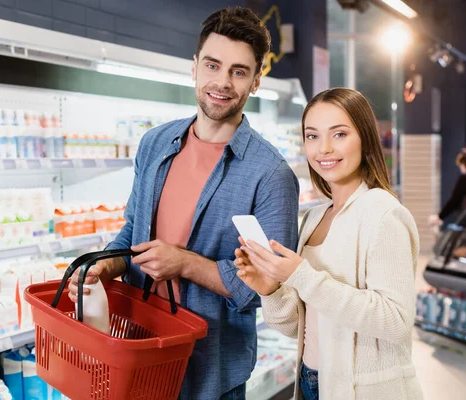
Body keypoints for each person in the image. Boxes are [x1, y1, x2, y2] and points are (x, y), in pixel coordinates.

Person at [67, 7, 299, 399]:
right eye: (213, 65)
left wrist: (186, 263)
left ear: (257, 80)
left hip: (208, 371)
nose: (222, 82)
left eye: (239, 71)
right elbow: (133, 230)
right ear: (194, 67)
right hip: (138, 349)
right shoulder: (155, 144)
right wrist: (107, 264)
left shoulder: (270, 174)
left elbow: (267, 286)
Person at [235, 88, 423, 399]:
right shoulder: (311, 219)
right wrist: (269, 288)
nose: (323, 148)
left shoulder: (384, 214)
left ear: (364, 138)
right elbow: (300, 327)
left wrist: (302, 276)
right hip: (311, 382)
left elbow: (396, 322)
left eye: (339, 134)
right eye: (312, 136)